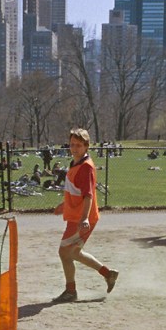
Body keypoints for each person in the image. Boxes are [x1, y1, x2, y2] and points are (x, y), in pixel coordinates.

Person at [52, 128, 118, 303]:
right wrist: (64, 205)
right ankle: (108, 274)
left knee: (64, 252)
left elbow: (88, 195)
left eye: (79, 145)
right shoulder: (76, 163)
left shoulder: (85, 167)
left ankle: (70, 291)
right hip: (76, 216)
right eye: (72, 144)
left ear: (87, 146)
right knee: (73, 252)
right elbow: (75, 191)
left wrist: (84, 218)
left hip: (80, 218)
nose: (74, 148)